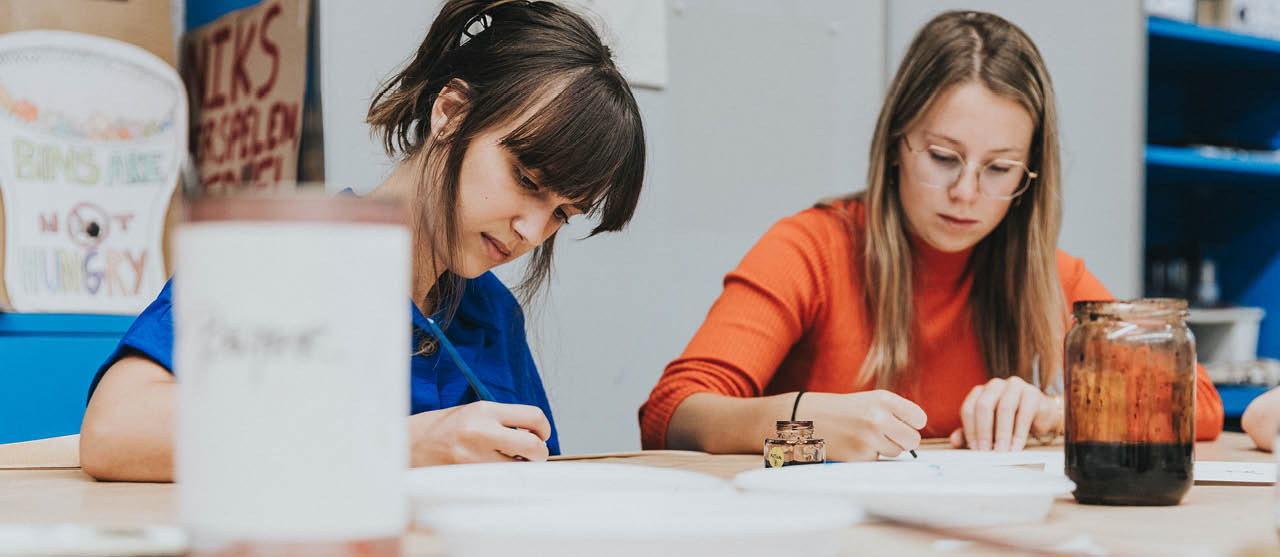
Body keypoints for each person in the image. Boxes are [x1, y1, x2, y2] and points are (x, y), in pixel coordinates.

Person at [80, 0, 645, 481]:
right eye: (525, 179)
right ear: (450, 112)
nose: (530, 230)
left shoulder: (493, 316)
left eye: (561, 214)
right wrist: (398, 445)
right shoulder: (287, 255)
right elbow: (117, 430)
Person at [639, 10, 1223, 460]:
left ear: (1029, 174)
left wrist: (1059, 412)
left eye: (999, 169)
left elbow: (1198, 404)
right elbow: (669, 417)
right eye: (943, 157)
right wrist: (804, 431)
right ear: (897, 143)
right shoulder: (813, 248)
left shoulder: (1050, 275)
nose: (967, 192)